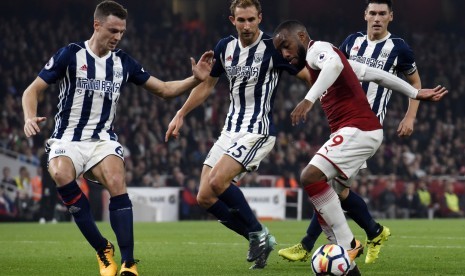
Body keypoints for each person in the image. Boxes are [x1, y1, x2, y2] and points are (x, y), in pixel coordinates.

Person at [21, 1, 213, 275]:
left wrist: (195, 80)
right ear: (96, 25)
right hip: (67, 139)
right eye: (112, 30)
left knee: (116, 180)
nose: (117, 37)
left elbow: (165, 90)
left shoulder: (123, 62)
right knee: (61, 174)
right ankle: (102, 248)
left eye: (121, 32)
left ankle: (128, 263)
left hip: (102, 140)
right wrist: (30, 117)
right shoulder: (70, 55)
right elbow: (32, 90)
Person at [271, 19, 446, 271]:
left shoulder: (317, 50)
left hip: (359, 128)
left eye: (286, 46)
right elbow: (375, 74)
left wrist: (308, 100)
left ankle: (348, 243)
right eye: (280, 51)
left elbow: (331, 64)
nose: (285, 54)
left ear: (300, 36)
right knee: (328, 196)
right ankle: (347, 262)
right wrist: (414, 93)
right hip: (361, 132)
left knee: (310, 176)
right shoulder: (328, 59)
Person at [165, 0, 307, 270]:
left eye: (251, 19)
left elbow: (306, 75)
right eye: (241, 20)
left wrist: (314, 98)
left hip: (258, 130)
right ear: (232, 20)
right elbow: (207, 86)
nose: (246, 25)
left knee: (218, 182)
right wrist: (181, 112)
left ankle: (257, 232)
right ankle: (258, 237)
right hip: (230, 130)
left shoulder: (274, 47)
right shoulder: (224, 48)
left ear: (260, 18)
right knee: (204, 197)